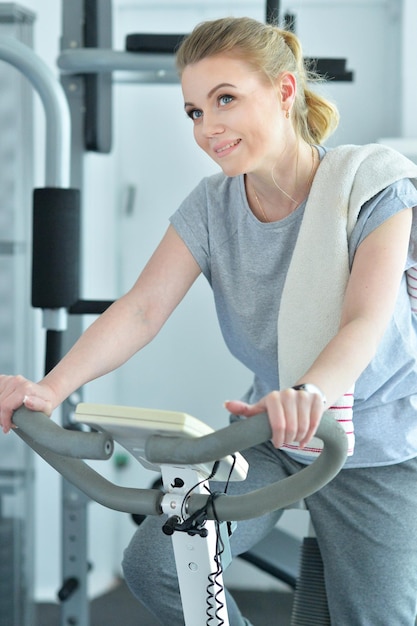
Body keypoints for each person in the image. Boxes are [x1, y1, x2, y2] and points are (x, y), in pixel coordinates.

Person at [1, 15, 417, 625]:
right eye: (194, 111)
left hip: (381, 443)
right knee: (162, 566)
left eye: (225, 99)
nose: (208, 127)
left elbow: (365, 319)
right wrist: (49, 389)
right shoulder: (211, 207)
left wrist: (311, 394)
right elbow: (141, 309)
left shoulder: (373, 185)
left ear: (284, 91)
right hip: (275, 433)